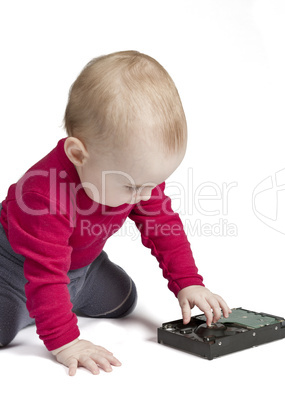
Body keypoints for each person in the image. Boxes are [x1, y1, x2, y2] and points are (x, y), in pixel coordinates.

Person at [0, 50, 231, 376]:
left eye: (156, 182)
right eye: (135, 187)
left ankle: (60, 302)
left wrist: (188, 283)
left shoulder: (137, 177)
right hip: (18, 266)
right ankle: (41, 308)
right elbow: (46, 271)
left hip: (81, 266)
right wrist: (65, 341)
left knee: (124, 300)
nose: (147, 195)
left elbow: (162, 225)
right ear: (79, 153)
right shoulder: (42, 196)